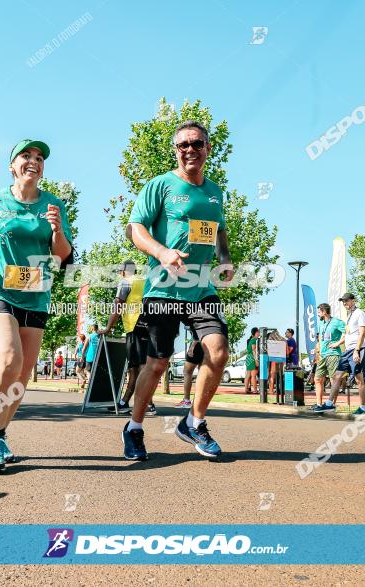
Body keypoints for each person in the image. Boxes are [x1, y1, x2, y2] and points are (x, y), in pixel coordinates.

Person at [121, 120, 234, 460]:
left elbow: (219, 231)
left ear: (207, 149)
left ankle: (194, 422)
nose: (190, 150)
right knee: (156, 364)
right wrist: (162, 252)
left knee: (218, 351)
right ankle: (134, 428)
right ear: (175, 150)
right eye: (183, 144)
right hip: (163, 290)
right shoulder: (161, 185)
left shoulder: (214, 192)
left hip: (200, 288)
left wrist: (225, 259)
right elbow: (134, 228)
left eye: (197, 144)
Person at [0, 139, 73, 472]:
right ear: (12, 166)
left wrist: (56, 229)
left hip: (36, 292)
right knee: (10, 357)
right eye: (26, 156)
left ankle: (2, 432)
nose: (33, 161)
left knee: (22, 376)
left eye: (39, 158)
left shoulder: (53, 204)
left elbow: (62, 253)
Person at [103, 260, 156, 415]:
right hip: (147, 326)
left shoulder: (126, 282)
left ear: (124, 271)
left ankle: (148, 405)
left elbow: (117, 305)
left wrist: (108, 328)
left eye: (120, 271)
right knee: (134, 367)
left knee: (140, 367)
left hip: (135, 326)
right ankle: (124, 402)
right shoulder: (144, 281)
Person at [313, 293, 365, 415]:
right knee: (337, 376)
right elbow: (347, 333)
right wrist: (339, 344)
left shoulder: (360, 313)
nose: (345, 304)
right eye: (343, 302)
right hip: (347, 351)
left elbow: (362, 333)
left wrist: (356, 350)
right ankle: (329, 404)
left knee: (359, 379)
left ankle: (362, 408)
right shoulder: (350, 315)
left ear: (353, 301)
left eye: (347, 301)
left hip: (356, 349)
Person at [311, 303, 344, 410]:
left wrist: (338, 343)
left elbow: (348, 333)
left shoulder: (337, 322)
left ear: (324, 311)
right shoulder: (321, 324)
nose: (318, 313)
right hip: (322, 355)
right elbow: (321, 338)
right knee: (317, 379)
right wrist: (319, 352)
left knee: (333, 380)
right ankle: (319, 404)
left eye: (319, 311)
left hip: (333, 354)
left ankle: (331, 405)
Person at [178, 337, 205, 408]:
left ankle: (186, 401)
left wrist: (192, 346)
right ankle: (198, 402)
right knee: (202, 372)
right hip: (208, 344)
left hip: (197, 344)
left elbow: (198, 333)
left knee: (187, 372)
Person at [244, 328, 259, 394]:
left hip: (248, 357)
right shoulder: (254, 340)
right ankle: (255, 390)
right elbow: (254, 351)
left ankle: (246, 389)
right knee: (253, 375)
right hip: (252, 358)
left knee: (248, 375)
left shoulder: (251, 340)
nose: (259, 333)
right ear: (255, 333)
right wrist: (256, 360)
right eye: (258, 332)